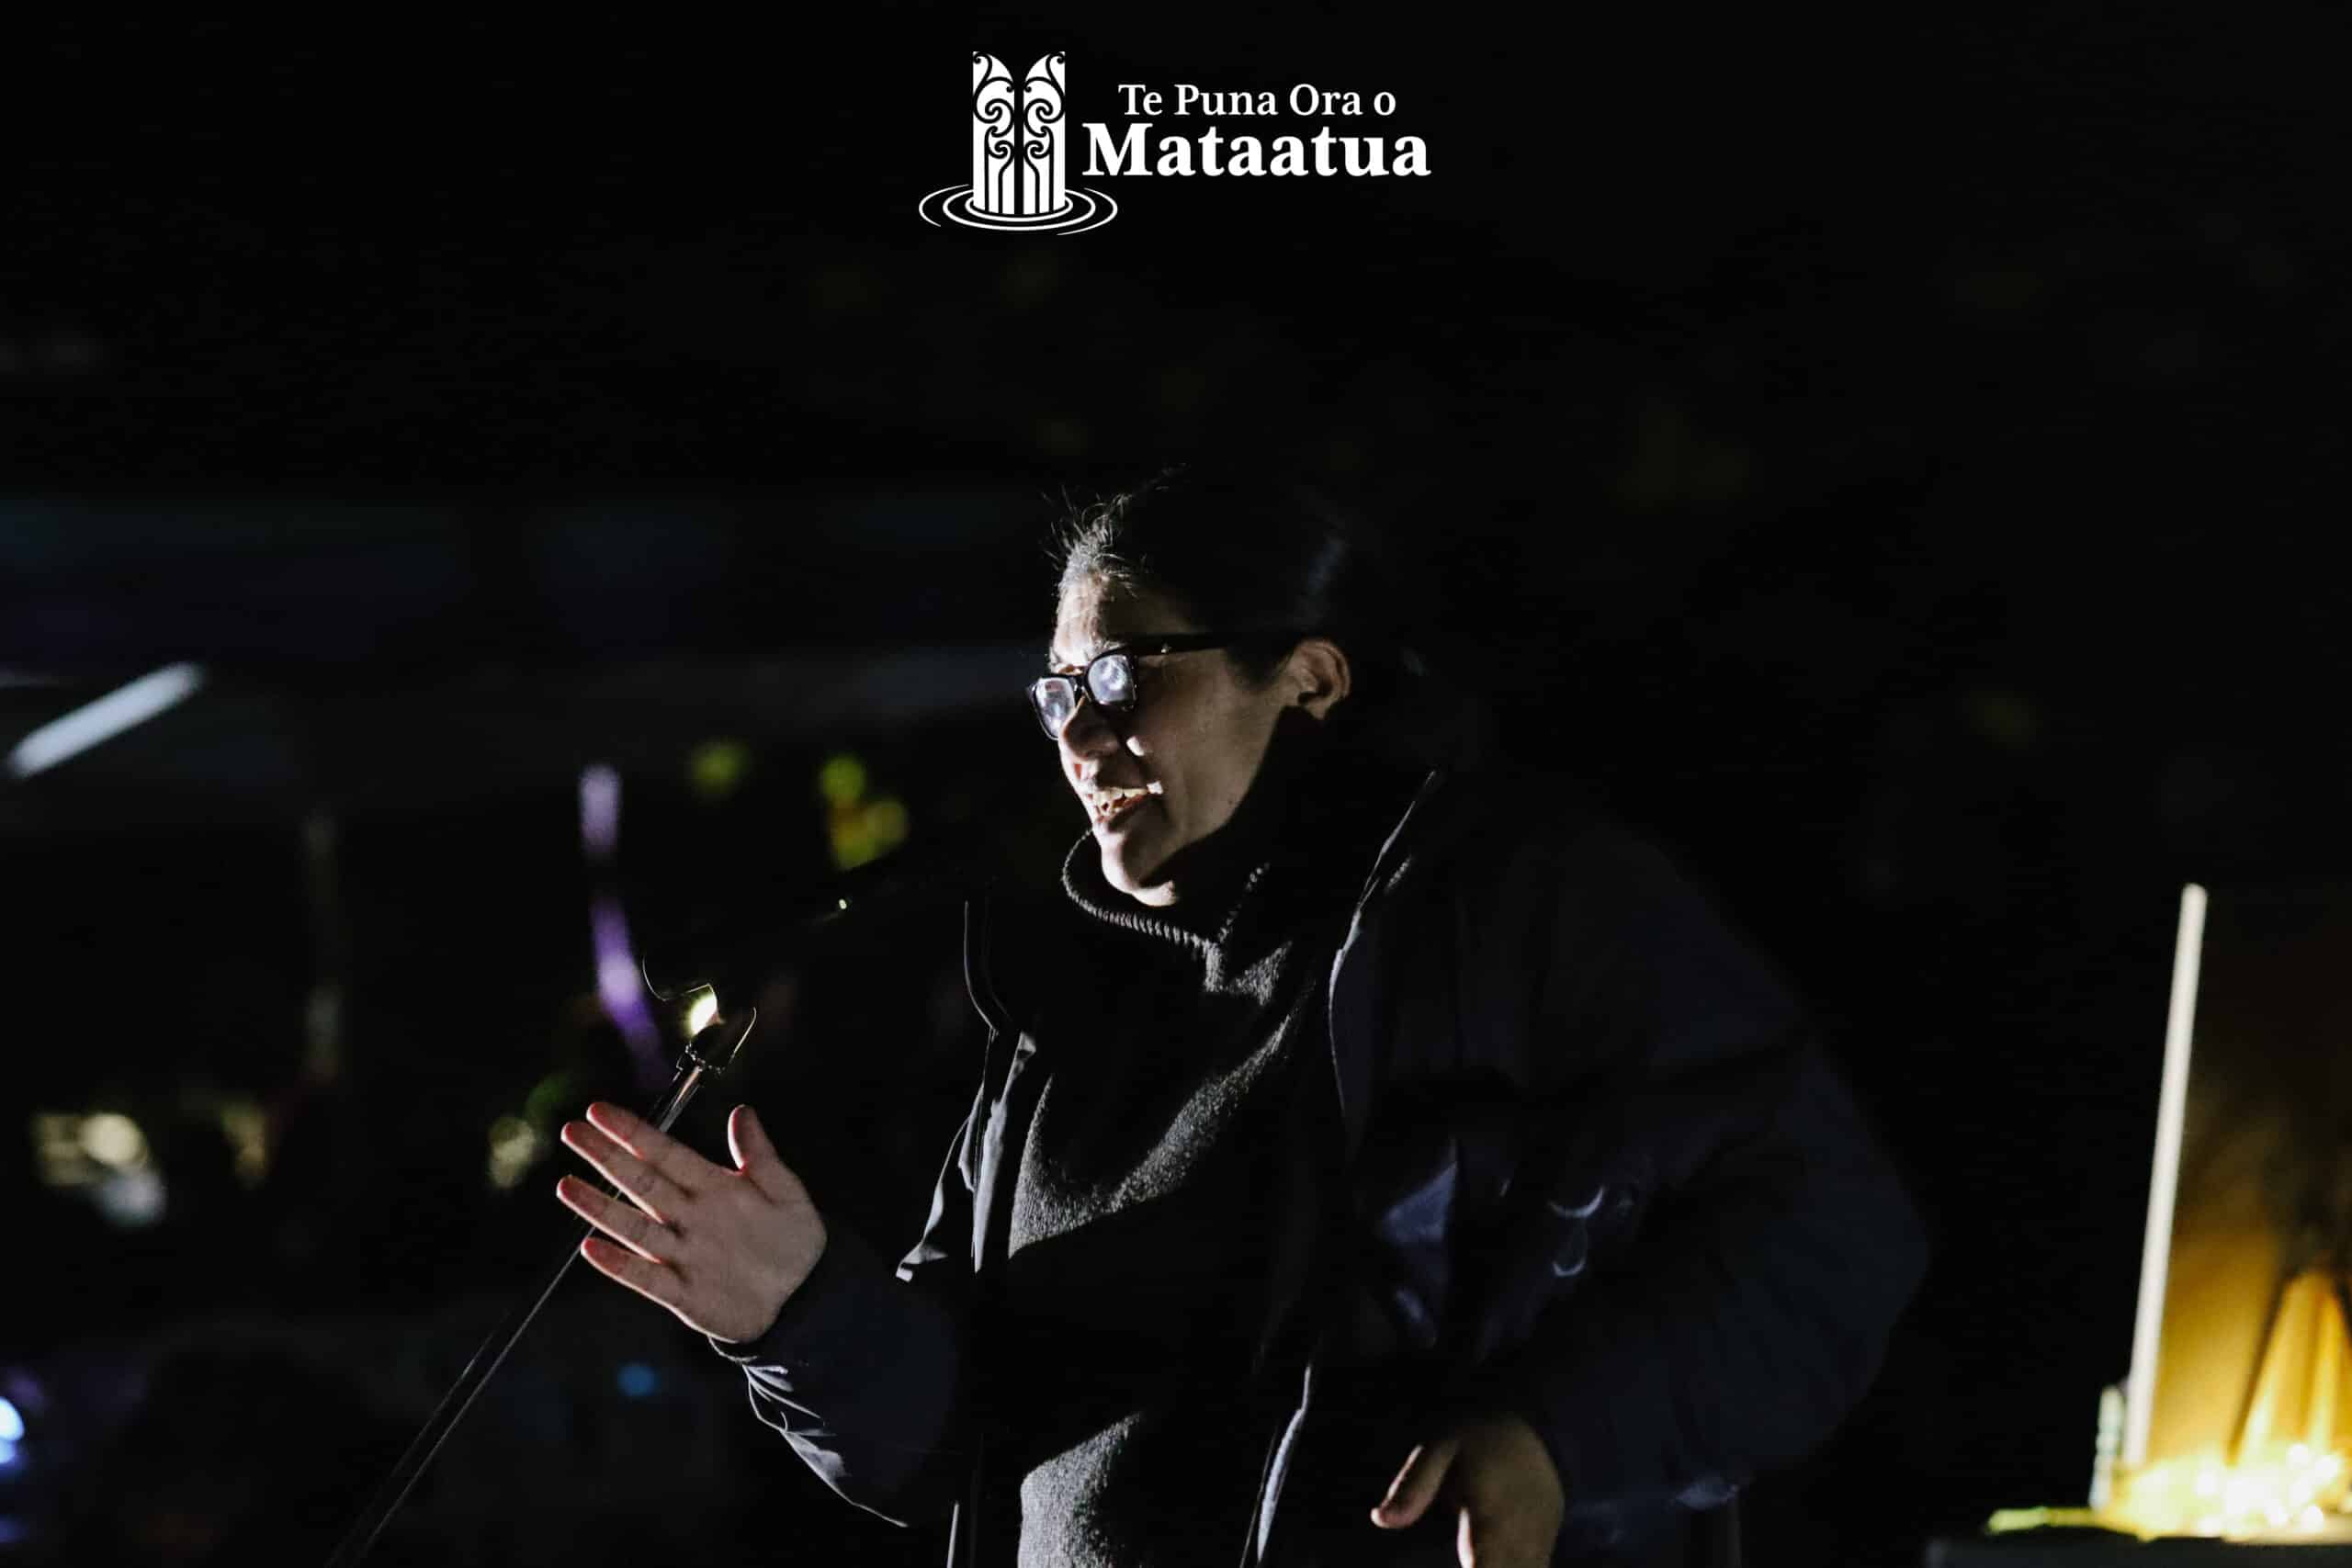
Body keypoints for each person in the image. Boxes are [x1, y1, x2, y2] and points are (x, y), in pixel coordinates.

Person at [551, 465, 1929, 1567]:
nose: (1079, 737)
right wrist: (797, 1312)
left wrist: (1557, 1435)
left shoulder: (1525, 906)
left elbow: (1827, 1229)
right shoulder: (1061, 1015)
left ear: (1311, 680)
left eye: (1121, 676)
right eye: (1054, 693)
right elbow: (959, 1440)